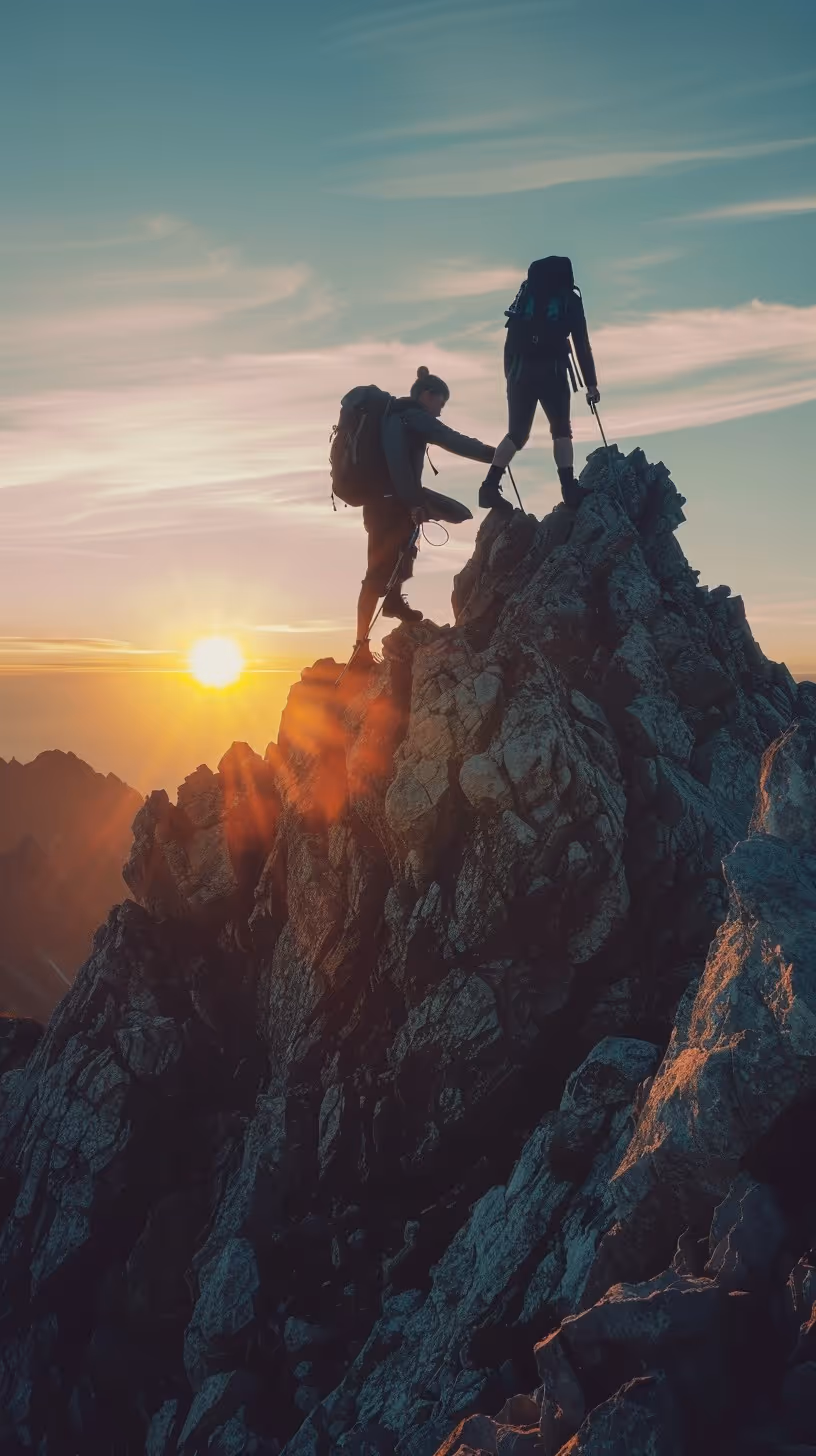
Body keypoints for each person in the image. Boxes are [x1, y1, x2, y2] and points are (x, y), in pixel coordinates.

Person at [351, 366, 495, 668]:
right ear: (427, 396)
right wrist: (491, 453)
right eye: (439, 404)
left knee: (402, 551)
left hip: (384, 503)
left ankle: (391, 603)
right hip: (390, 503)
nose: (439, 412)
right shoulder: (411, 417)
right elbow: (447, 439)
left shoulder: (397, 416)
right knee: (376, 573)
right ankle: (360, 647)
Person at [479, 255, 600, 512]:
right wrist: (591, 384)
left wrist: (509, 375)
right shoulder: (570, 299)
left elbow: (510, 338)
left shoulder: (526, 296)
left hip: (520, 371)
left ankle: (489, 486)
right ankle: (569, 488)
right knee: (561, 429)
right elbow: (581, 343)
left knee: (517, 434)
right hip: (553, 371)